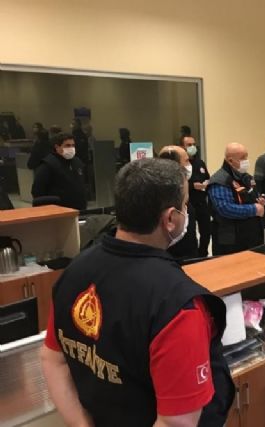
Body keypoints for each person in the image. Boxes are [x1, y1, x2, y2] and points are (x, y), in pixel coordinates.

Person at [40, 158, 234, 427]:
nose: (187, 212)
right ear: (170, 219)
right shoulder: (177, 306)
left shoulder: (74, 271)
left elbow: (52, 360)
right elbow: (176, 423)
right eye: (185, 204)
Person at [209, 143, 265, 255]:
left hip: (251, 237)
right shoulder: (219, 180)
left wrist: (260, 201)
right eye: (243, 158)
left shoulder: (246, 177)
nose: (246, 161)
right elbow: (225, 208)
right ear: (230, 161)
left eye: (247, 156)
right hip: (231, 241)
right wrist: (254, 209)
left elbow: (252, 197)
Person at [159, 145, 199, 260]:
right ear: (174, 165)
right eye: (186, 161)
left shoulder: (183, 188)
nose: (189, 165)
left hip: (190, 255)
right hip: (173, 260)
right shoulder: (165, 196)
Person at [31, 133, 87, 210]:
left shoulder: (77, 162)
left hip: (79, 209)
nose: (71, 148)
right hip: (60, 209)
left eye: (73, 145)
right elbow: (37, 191)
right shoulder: (48, 165)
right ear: (57, 147)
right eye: (67, 145)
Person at [180, 135, 212, 256]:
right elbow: (178, 183)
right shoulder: (180, 164)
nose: (192, 147)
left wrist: (207, 183)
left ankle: (203, 254)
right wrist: (193, 186)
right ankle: (193, 256)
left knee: (206, 231)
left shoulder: (200, 162)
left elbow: (207, 177)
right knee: (191, 233)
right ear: (182, 147)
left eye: (194, 144)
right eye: (189, 145)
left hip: (202, 202)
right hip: (188, 203)